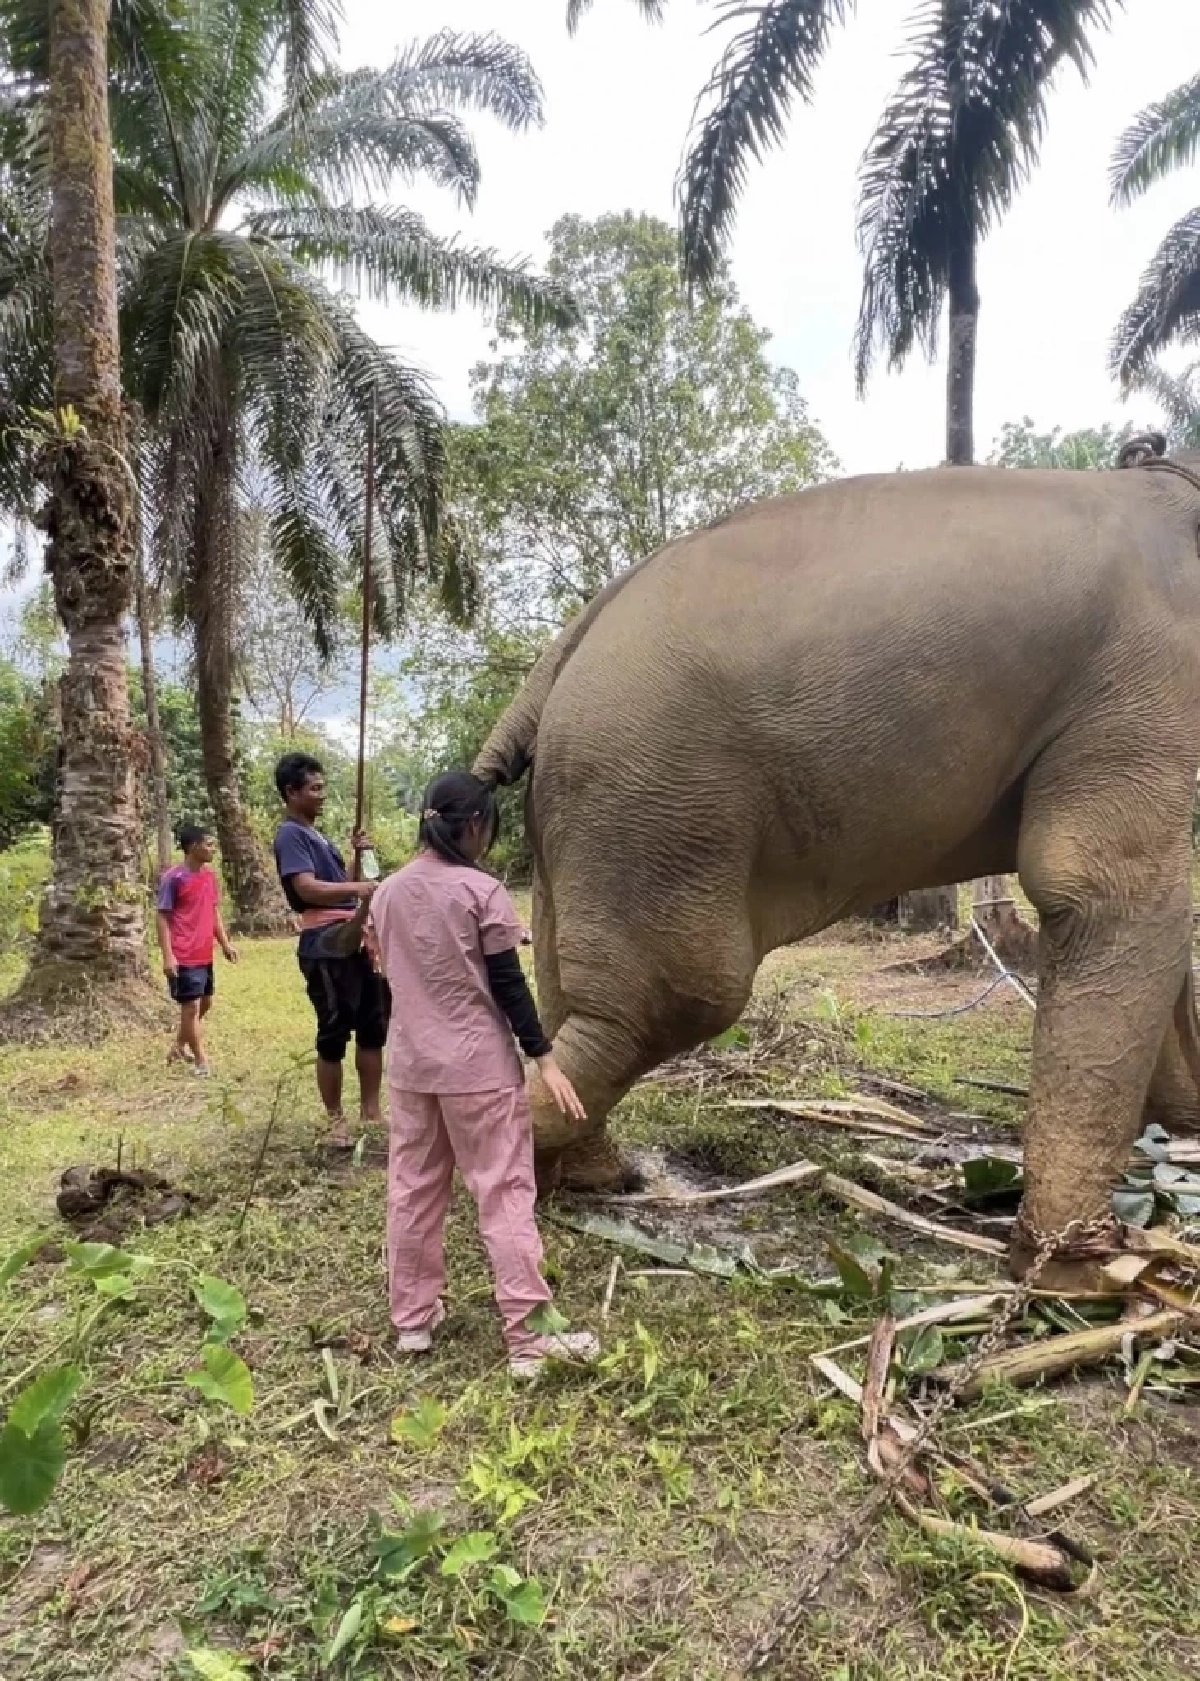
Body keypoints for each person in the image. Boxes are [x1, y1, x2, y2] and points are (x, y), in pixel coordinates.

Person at [368, 770, 599, 1382]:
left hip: (412, 1066)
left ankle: (413, 1320)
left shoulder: (387, 892)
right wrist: (545, 1057)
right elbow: (507, 984)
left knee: (414, 1189)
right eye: (485, 828)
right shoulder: (482, 890)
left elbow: (391, 975)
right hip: (477, 1069)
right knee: (503, 1193)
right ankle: (529, 1338)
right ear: (473, 826)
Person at [272, 751, 390, 1149]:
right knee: (335, 1028)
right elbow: (306, 888)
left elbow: (340, 885)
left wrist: (358, 859)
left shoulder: (317, 836)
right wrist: (357, 889)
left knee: (373, 1024)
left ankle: (371, 1111)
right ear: (292, 792)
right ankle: (334, 1119)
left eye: (323, 787)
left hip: (355, 936)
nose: (322, 795)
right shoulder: (291, 834)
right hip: (325, 942)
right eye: (314, 788)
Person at [156, 824, 237, 1075]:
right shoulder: (174, 878)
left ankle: (179, 1045)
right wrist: (168, 955)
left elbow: (213, 912)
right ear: (193, 847)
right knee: (190, 1007)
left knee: (205, 1003)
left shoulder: (209, 876)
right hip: (183, 953)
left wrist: (224, 943)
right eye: (208, 844)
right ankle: (202, 1061)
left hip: (204, 952)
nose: (213, 848)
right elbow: (162, 917)